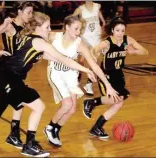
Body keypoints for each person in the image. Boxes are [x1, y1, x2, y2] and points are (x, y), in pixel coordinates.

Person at [0, 12, 96, 157]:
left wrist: (72, 64)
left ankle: (22, 140)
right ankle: (29, 144)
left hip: (9, 78)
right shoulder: (39, 42)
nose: (49, 29)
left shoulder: (31, 40)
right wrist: (85, 69)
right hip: (7, 79)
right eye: (47, 27)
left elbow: (54, 58)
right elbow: (61, 58)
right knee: (38, 106)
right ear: (38, 27)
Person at [43, 14, 120, 147]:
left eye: (80, 29)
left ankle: (56, 129)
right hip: (55, 72)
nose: (79, 32)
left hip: (71, 74)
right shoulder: (53, 36)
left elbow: (94, 65)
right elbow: (36, 40)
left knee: (72, 109)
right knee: (66, 104)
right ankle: (49, 127)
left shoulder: (79, 45)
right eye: (76, 29)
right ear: (66, 27)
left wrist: (107, 85)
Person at [0, 1, 34, 149]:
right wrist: (2, 26)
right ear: (19, 12)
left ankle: (13, 135)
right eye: (28, 12)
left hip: (16, 71)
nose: (31, 15)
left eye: (32, 12)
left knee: (19, 102)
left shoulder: (27, 27)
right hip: (5, 72)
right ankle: (13, 135)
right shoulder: (10, 25)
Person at [83, 17, 149, 140]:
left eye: (122, 30)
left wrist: (134, 52)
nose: (120, 33)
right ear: (112, 30)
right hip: (106, 75)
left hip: (118, 74)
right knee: (116, 99)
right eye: (117, 30)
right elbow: (93, 49)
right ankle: (92, 102)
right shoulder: (107, 43)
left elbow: (145, 52)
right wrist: (95, 54)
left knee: (118, 103)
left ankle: (96, 127)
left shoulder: (127, 40)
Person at [73, 1, 106, 96]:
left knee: (94, 61)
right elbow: (71, 19)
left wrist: (102, 20)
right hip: (85, 37)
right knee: (81, 60)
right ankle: (77, 78)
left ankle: (89, 83)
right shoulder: (80, 9)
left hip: (96, 37)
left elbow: (98, 12)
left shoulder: (97, 6)